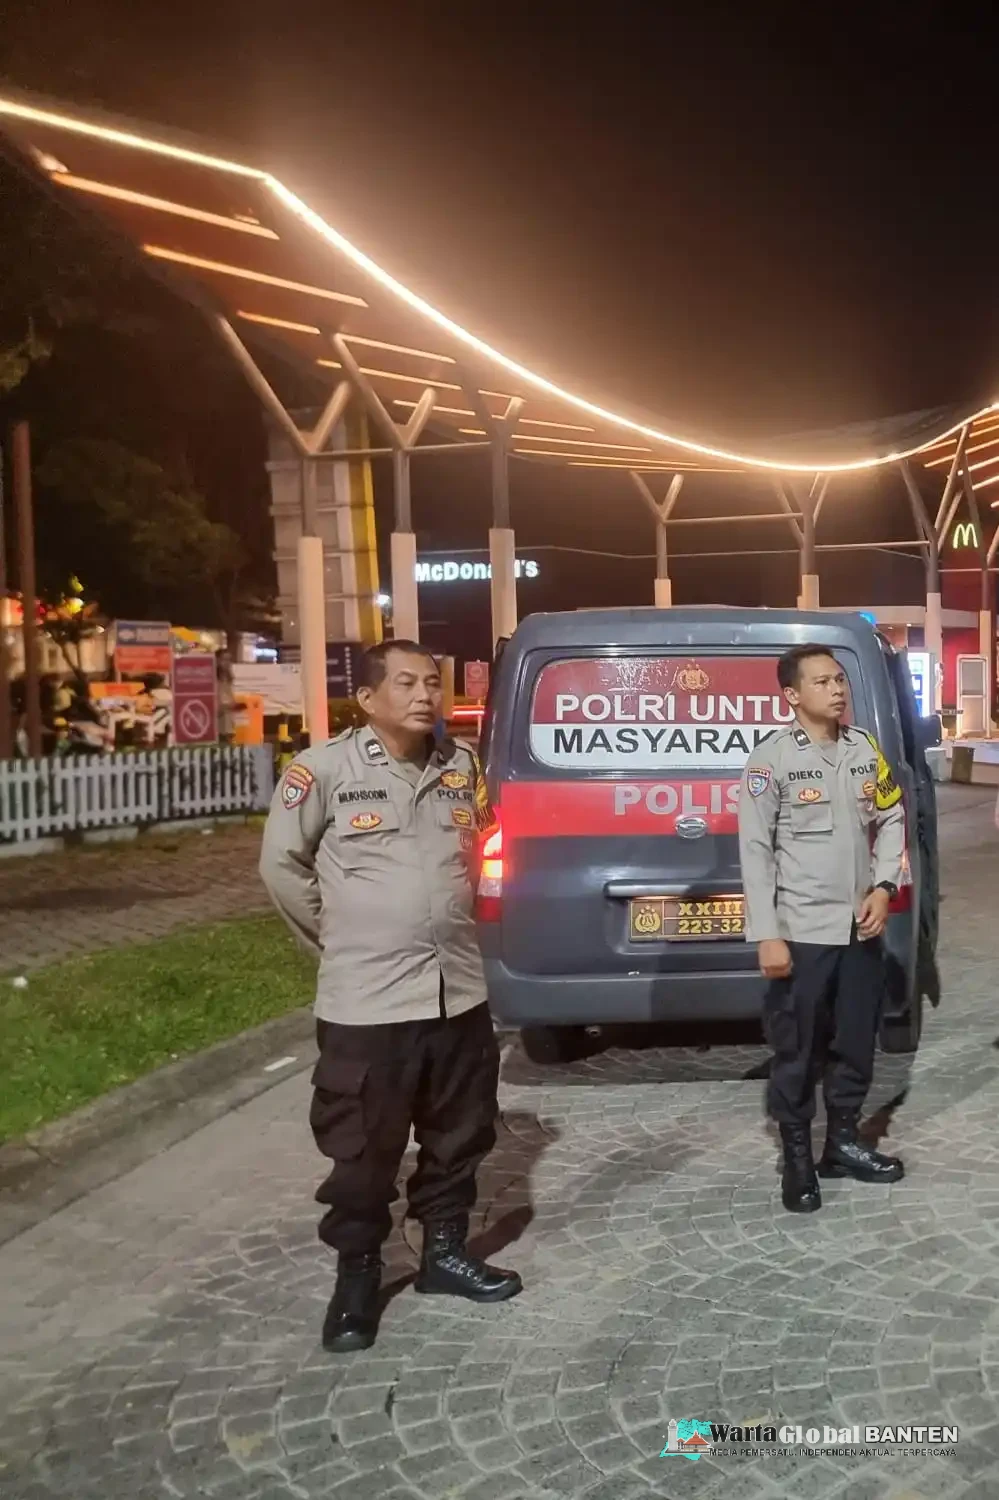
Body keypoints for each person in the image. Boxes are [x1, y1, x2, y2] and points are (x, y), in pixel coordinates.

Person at [259, 639, 521, 1353]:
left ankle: (444, 1255)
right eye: (404, 683)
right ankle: (357, 1278)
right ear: (367, 698)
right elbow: (281, 866)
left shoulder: (460, 766)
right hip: (368, 1003)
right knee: (363, 1152)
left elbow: (478, 850)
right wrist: (340, 937)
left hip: (457, 993)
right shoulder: (322, 770)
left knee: (460, 1134)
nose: (424, 695)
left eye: (431, 682)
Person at [738, 643, 906, 1214]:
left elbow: (891, 816)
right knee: (798, 1051)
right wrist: (767, 933)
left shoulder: (864, 750)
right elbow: (756, 851)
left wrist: (883, 886)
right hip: (802, 932)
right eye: (822, 682)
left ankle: (842, 1145)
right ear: (791, 695)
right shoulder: (771, 760)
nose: (837, 689)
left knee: (855, 1043)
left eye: (839, 679)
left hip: (860, 930)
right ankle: (797, 1160)